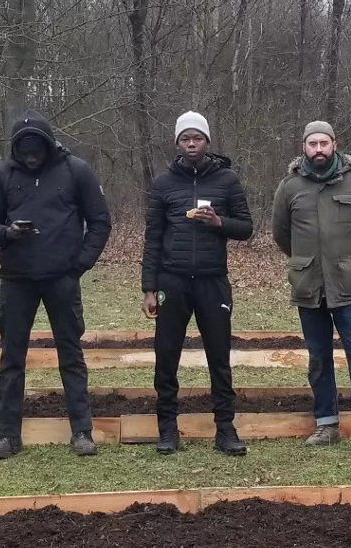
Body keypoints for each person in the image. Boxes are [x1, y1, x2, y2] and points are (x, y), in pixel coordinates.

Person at [0, 110, 111, 459]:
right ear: (16, 148)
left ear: (49, 144)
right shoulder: (3, 175)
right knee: (11, 358)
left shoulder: (76, 170)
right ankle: (8, 435)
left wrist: (79, 265)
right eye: (24, 148)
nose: (31, 154)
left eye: (37, 147)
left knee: (71, 354)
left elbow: (100, 222)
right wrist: (8, 233)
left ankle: (82, 431)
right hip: (16, 280)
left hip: (61, 279)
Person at [271, 121, 351, 457]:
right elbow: (281, 235)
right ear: (304, 147)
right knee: (318, 359)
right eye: (312, 143)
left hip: (348, 287)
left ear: (335, 144)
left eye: (324, 143)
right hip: (309, 286)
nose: (318, 149)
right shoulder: (289, 186)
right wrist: (306, 262)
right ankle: (326, 425)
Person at [141, 111, 252, 456]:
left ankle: (225, 429)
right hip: (172, 282)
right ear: (177, 143)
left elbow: (246, 228)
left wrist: (219, 222)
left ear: (207, 141)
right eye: (185, 139)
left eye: (197, 138)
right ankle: (167, 430)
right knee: (167, 356)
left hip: (212, 281)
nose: (191, 144)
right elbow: (153, 237)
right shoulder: (163, 184)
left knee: (219, 356)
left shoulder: (227, 181)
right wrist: (148, 287)